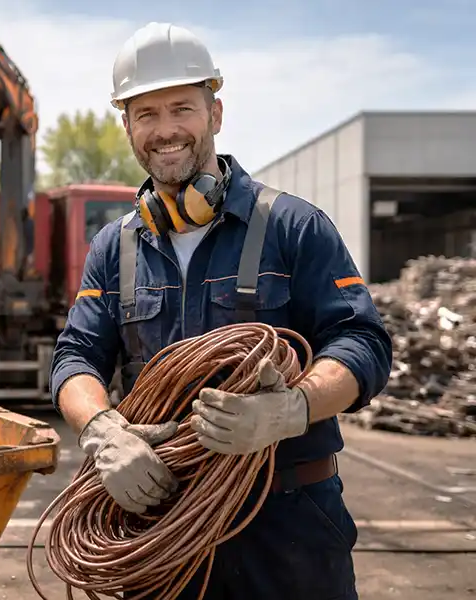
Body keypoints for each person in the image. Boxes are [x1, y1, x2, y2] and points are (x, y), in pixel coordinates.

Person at [49, 21, 393, 600]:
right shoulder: (114, 248)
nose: (165, 130)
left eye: (181, 108)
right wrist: (102, 431)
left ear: (215, 113)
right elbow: (75, 357)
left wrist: (292, 409)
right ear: (127, 126)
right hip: (162, 527)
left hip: (287, 529)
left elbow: (362, 342)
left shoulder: (294, 226)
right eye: (146, 114)